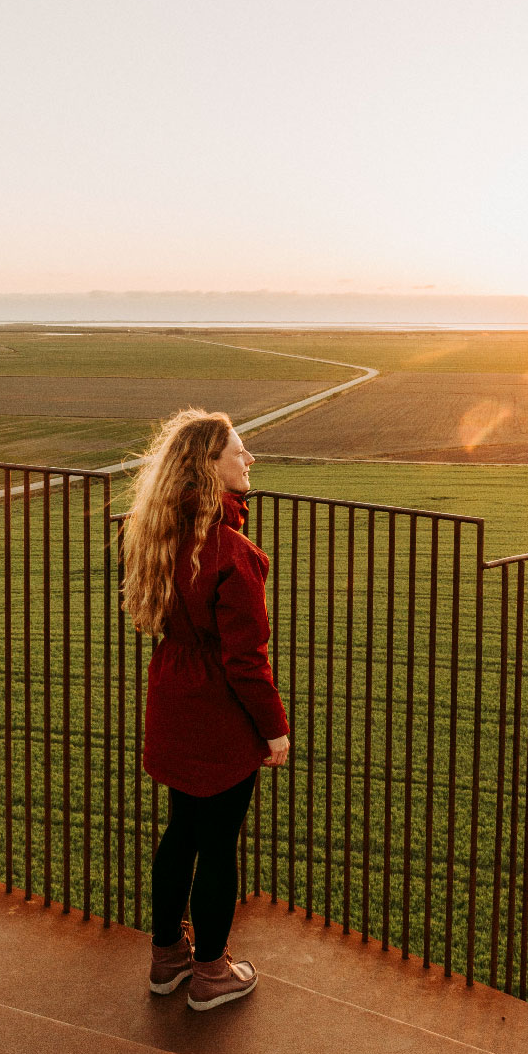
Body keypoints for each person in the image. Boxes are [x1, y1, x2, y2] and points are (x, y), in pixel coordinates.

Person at [120, 408, 290, 1010]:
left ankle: (167, 958)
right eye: (239, 452)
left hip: (172, 695)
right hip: (217, 712)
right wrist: (274, 731)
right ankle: (214, 973)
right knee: (219, 844)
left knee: (181, 832)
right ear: (209, 468)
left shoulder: (159, 532)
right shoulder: (231, 552)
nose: (250, 460)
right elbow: (246, 660)